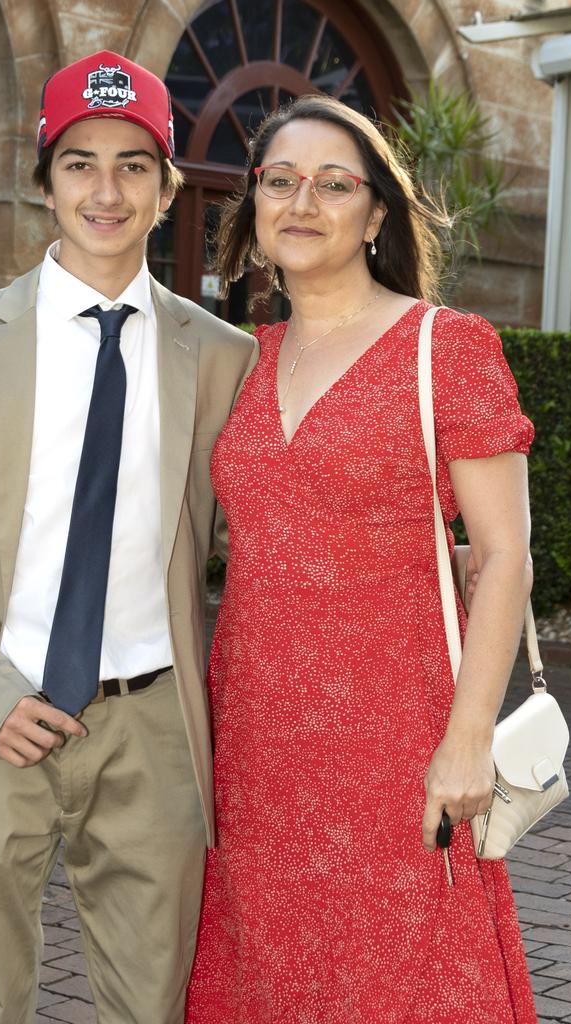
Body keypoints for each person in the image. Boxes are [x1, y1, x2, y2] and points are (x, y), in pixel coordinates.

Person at [0, 50, 254, 1024]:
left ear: (166, 188)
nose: (105, 190)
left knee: (148, 1002)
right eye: (79, 162)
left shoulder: (225, 360)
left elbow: (269, 534)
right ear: (44, 183)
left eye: (131, 164)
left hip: (154, 727)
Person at [185, 94, 538, 1023]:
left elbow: (504, 557)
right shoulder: (240, 358)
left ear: (377, 212)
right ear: (255, 207)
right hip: (254, 736)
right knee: (267, 970)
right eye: (281, 181)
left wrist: (468, 739)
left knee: (403, 977)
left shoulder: (446, 349)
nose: (304, 202)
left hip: (398, 732)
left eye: (335, 184)